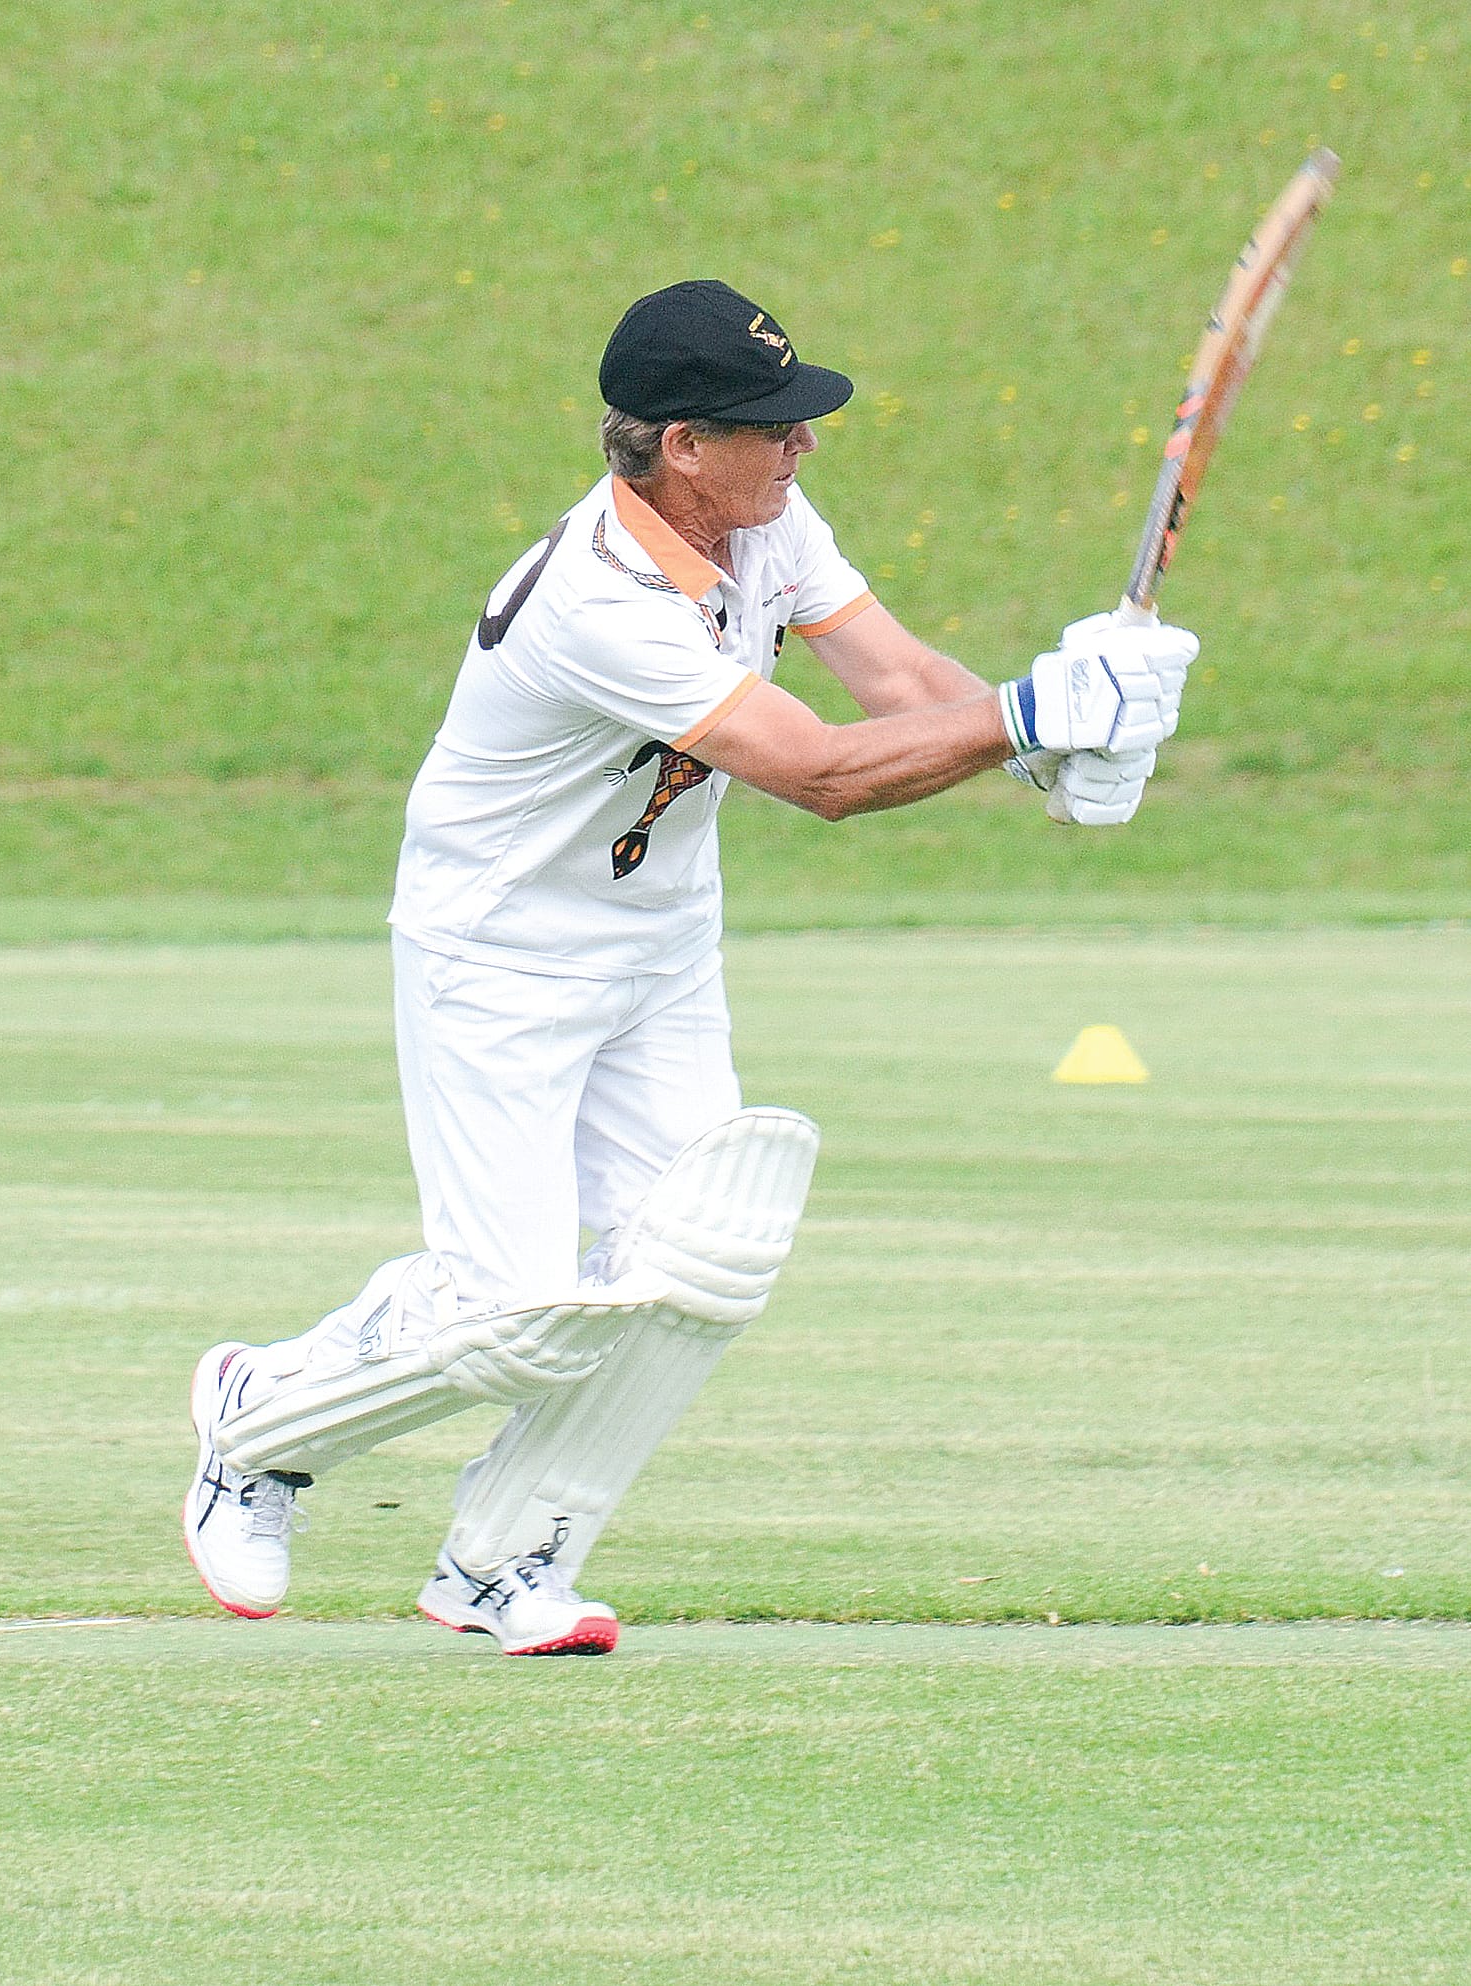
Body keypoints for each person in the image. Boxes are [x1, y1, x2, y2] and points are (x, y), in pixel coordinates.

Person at [183, 279, 1197, 1653]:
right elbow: (822, 774)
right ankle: (257, 1416)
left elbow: (899, 689)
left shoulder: (769, 523)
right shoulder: (598, 599)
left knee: (706, 1255)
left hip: (657, 944)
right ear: (679, 446)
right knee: (510, 1313)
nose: (803, 447)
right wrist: (1029, 713)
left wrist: (1056, 746)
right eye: (771, 428)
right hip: (501, 952)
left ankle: (504, 1558)